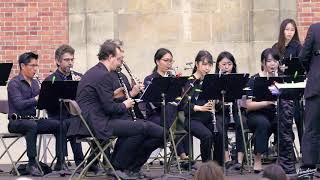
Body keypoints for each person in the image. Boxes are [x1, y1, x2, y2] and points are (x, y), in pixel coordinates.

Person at [72, 40, 163, 178]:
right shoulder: (104, 75)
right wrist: (125, 104)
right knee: (143, 128)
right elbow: (109, 108)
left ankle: (124, 167)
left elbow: (99, 99)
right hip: (97, 123)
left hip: (91, 120)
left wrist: (117, 95)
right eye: (119, 59)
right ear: (110, 57)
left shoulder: (95, 72)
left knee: (139, 127)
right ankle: (118, 167)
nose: (120, 62)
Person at [7, 52, 64, 176]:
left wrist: (49, 97)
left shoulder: (34, 83)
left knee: (59, 124)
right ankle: (31, 164)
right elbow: (19, 104)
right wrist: (36, 99)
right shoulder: (14, 83)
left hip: (32, 120)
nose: (35, 69)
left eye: (36, 66)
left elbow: (40, 104)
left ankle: (60, 162)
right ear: (22, 66)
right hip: (16, 122)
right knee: (31, 126)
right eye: (32, 66)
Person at [246, 48, 296, 174]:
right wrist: (267, 102)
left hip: (273, 113)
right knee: (263, 124)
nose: (272, 64)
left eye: (275, 61)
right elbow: (248, 105)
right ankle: (257, 159)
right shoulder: (254, 79)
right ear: (263, 63)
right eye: (269, 61)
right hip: (256, 114)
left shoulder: (280, 79)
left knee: (282, 123)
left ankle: (284, 159)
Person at [143, 48, 189, 160]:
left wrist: (181, 86)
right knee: (173, 119)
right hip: (155, 116)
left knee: (186, 122)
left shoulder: (173, 79)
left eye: (171, 61)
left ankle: (184, 154)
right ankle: (182, 154)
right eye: (166, 60)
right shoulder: (150, 79)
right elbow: (153, 103)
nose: (169, 64)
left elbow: (179, 101)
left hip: (171, 115)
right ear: (157, 61)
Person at [44, 44, 84, 170]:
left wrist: (79, 87)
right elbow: (47, 105)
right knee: (67, 124)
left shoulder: (79, 77)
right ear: (57, 61)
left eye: (72, 60)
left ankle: (87, 162)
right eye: (67, 60)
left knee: (80, 122)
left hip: (74, 116)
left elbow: (85, 101)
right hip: (56, 117)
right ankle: (64, 162)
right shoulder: (51, 79)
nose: (70, 63)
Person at [182, 50, 223, 163]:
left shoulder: (210, 81)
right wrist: (200, 107)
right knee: (207, 136)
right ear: (197, 64)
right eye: (204, 64)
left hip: (207, 118)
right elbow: (183, 104)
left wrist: (217, 102)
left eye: (209, 65)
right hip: (192, 119)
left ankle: (217, 165)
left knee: (220, 133)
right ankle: (207, 166)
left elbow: (218, 101)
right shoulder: (189, 81)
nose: (207, 68)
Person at [272, 18, 304, 145]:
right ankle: (285, 148)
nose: (289, 32)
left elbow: (301, 65)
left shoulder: (298, 46)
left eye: (292, 30)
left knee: (298, 117)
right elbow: (270, 62)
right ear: (282, 31)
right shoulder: (276, 47)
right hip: (280, 85)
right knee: (283, 119)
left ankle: (303, 148)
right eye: (287, 29)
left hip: (295, 85)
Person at [214, 51, 245, 170]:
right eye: (223, 64)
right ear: (218, 65)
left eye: (229, 64)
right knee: (220, 125)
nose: (227, 67)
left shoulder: (239, 79)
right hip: (221, 112)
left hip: (236, 110)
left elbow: (243, 98)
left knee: (242, 123)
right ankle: (227, 159)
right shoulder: (214, 80)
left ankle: (239, 159)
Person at [298, 22, 320, 178]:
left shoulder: (315, 29)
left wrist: (312, 71)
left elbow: (303, 57)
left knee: (311, 128)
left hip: (316, 86)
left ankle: (309, 168)